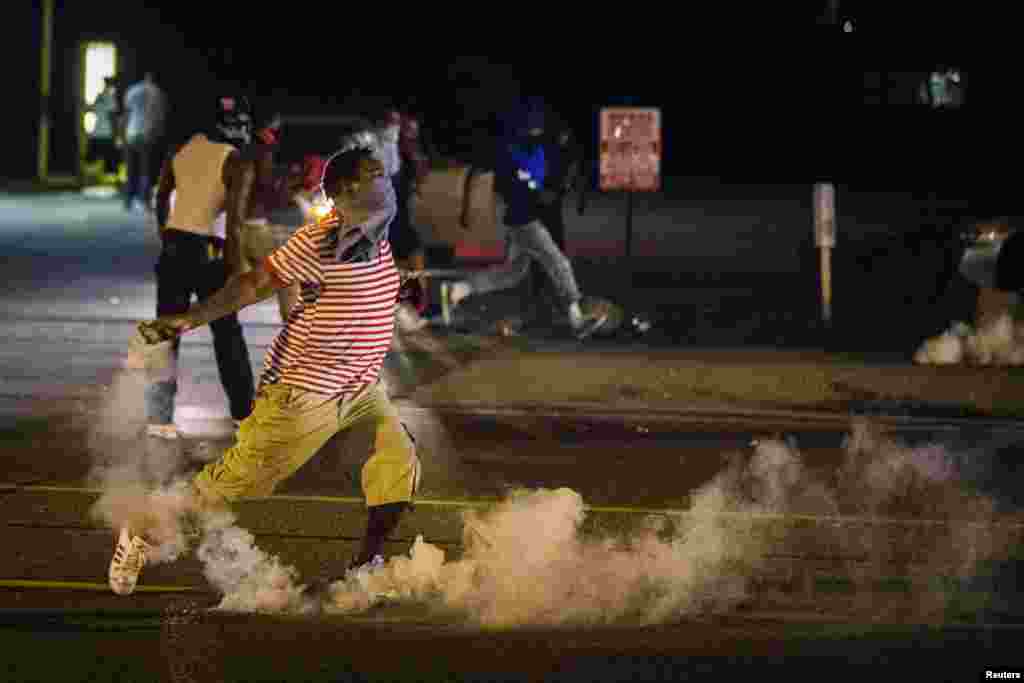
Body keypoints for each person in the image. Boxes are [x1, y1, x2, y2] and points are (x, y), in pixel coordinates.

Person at [109, 146, 421, 601]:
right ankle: (139, 529)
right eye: (374, 174)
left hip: (360, 388)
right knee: (233, 485)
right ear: (345, 190)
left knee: (399, 459)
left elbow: (369, 287)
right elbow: (254, 283)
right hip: (302, 394)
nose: (385, 182)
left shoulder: (376, 238)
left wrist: (406, 284)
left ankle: (366, 563)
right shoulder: (317, 242)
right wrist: (187, 319)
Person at [440, 97, 609, 339]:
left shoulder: (538, 149)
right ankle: (577, 319)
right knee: (558, 262)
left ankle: (458, 290)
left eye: (538, 128)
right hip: (522, 219)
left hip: (523, 216)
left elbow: (545, 180)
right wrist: (467, 207)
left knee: (512, 273)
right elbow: (478, 172)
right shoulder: (509, 152)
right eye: (533, 128)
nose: (537, 132)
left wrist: (548, 192)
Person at [147, 95, 257, 440]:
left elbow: (161, 198)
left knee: (166, 335)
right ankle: (244, 414)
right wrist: (239, 269)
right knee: (227, 335)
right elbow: (236, 222)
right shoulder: (235, 161)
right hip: (210, 253)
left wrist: (167, 236)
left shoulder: (181, 150)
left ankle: (159, 419)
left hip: (175, 248)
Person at [121, 72, 168, 212]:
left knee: (130, 168)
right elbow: (160, 118)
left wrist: (123, 135)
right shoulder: (158, 93)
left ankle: (128, 200)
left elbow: (127, 114)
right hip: (148, 133)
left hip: (132, 132)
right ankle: (144, 200)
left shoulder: (133, 91)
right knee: (145, 169)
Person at [85, 76, 121, 178]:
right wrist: (117, 134)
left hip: (96, 132)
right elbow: (112, 117)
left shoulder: (99, 96)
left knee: (92, 158)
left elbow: (91, 109)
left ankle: (90, 177)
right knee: (110, 160)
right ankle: (109, 177)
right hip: (107, 132)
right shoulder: (111, 97)